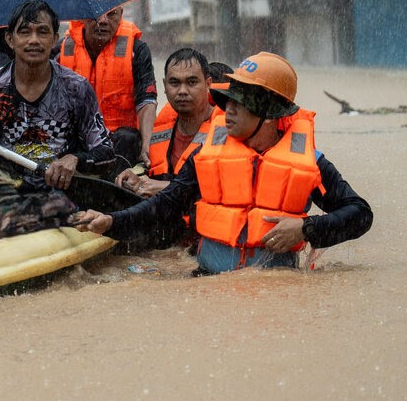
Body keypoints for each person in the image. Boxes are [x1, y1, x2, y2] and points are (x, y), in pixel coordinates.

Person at [72, 52, 374, 274]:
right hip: (205, 280)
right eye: (226, 101)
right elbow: (164, 207)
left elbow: (360, 214)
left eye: (238, 104)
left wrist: (306, 229)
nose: (226, 111)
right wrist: (112, 221)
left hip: (276, 290)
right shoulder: (206, 158)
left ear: (268, 112)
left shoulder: (311, 163)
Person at [0, 0, 116, 193]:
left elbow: (107, 153)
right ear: (10, 40)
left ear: (54, 39)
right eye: (25, 32)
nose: (34, 40)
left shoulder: (76, 88)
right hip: (5, 200)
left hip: (64, 200)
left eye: (42, 32)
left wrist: (76, 160)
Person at [57, 4, 157, 171]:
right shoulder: (59, 51)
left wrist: (147, 145)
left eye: (111, 14)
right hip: (77, 142)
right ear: (82, 16)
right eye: (95, 14)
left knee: (128, 138)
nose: (102, 21)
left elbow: (146, 101)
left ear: (121, 15)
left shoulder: (136, 50)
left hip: (118, 143)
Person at [118, 49, 220, 199]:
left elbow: (228, 188)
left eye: (192, 82)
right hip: (163, 215)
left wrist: (167, 188)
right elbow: (158, 181)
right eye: (174, 83)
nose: (182, 91)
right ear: (165, 86)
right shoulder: (160, 131)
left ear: (208, 84)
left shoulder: (226, 129)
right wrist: (138, 181)